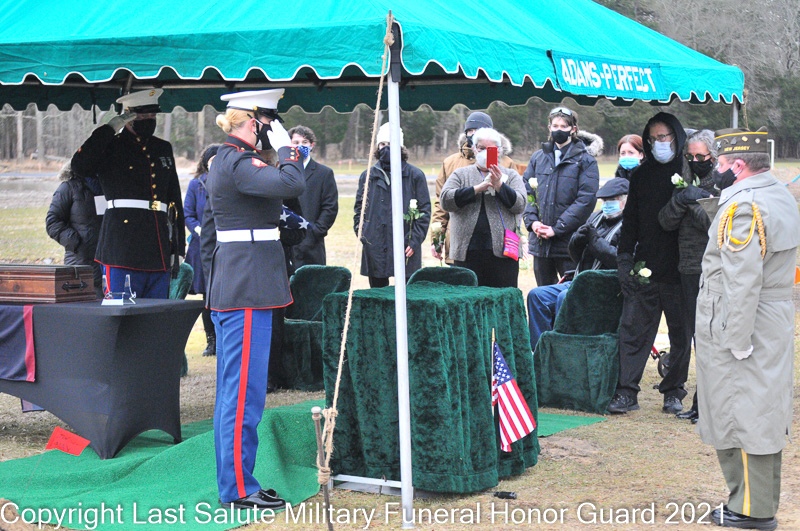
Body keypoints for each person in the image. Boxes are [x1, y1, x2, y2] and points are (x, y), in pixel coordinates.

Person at [204, 88, 305, 510]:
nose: (272, 129)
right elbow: (293, 182)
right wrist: (288, 150)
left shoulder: (234, 160)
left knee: (239, 393)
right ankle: (238, 488)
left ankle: (238, 481)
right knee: (242, 396)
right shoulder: (237, 162)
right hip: (246, 286)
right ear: (252, 122)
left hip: (246, 282)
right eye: (268, 122)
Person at [695, 128, 799, 530]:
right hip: (769, 316)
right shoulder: (778, 194)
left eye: (721, 163)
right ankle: (754, 502)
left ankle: (751, 509)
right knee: (760, 412)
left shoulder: (744, 205)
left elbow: (742, 278)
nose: (717, 169)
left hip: (743, 319)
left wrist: (736, 339)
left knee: (740, 414)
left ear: (738, 165)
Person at [607, 112, 692, 415]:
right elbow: (630, 222)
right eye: (653, 139)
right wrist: (624, 259)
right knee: (633, 332)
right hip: (646, 266)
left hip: (681, 269)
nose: (659, 143)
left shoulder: (688, 171)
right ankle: (626, 391)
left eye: (663, 137)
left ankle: (673, 391)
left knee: (680, 334)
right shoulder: (641, 175)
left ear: (676, 137)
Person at [71, 89, 185, 299]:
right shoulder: (111, 145)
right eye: (142, 115)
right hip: (122, 246)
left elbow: (174, 200)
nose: (149, 119)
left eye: (152, 115)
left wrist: (178, 248)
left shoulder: (162, 148)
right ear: (129, 116)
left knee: (156, 312)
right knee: (122, 309)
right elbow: (79, 166)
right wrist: (108, 129)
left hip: (157, 245)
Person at [657, 129, 717, 423]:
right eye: (690, 156)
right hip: (687, 269)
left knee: (707, 339)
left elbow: (712, 223)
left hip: (711, 268)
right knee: (692, 335)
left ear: (713, 156)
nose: (695, 161)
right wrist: (682, 199)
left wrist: (692, 201)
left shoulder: (720, 183)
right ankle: (698, 402)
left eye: (700, 156)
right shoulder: (684, 182)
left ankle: (706, 404)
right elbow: (666, 221)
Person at [526, 177, 628, 350]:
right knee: (537, 296)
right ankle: (541, 351)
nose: (606, 205)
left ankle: (563, 351)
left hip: (606, 287)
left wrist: (595, 242)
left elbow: (620, 261)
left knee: (565, 297)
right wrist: (576, 241)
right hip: (580, 280)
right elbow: (576, 257)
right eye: (604, 201)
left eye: (612, 200)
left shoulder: (630, 225)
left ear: (626, 201)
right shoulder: (596, 217)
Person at [522, 106, 600, 287]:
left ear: (573, 129)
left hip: (569, 245)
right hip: (540, 244)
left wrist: (557, 229)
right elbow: (527, 191)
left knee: (570, 295)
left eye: (564, 126)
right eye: (555, 126)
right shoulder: (538, 158)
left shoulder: (586, 161)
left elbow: (586, 199)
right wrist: (533, 222)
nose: (559, 130)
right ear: (549, 127)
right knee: (543, 294)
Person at [440, 127, 527, 288]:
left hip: (503, 253)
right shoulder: (461, 174)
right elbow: (445, 200)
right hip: (467, 252)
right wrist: (476, 189)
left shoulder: (511, 175)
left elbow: (520, 204)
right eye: (481, 148)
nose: (485, 153)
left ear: (499, 151)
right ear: (474, 149)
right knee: (468, 296)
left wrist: (500, 186)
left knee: (501, 296)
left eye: (491, 149)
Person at [431, 111, 517, 263]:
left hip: (496, 243)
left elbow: (516, 202)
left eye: (478, 130)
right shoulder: (450, 163)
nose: (474, 134)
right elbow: (441, 203)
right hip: (460, 241)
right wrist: (437, 238)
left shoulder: (506, 163)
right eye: (470, 131)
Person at [353, 122, 431, 288]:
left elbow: (424, 210)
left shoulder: (415, 175)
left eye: (390, 144)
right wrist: (363, 233)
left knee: (408, 290)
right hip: (375, 243)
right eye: (382, 144)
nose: (386, 148)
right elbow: (359, 208)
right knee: (378, 292)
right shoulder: (368, 175)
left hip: (405, 243)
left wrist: (414, 240)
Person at [45, 161, 104, 298]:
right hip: (80, 263)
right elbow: (52, 222)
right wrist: (78, 243)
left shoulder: (109, 188)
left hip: (107, 263)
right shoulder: (68, 188)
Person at [184, 144, 220, 357]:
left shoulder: (228, 182)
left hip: (223, 245)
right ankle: (211, 340)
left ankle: (223, 338)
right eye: (212, 160)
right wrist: (201, 230)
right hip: (201, 246)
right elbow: (188, 213)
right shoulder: (196, 184)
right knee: (207, 295)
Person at [287, 125, 338, 267]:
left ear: (312, 145)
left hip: (313, 245)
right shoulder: (282, 171)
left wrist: (316, 232)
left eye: (304, 142)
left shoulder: (324, 173)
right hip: (288, 243)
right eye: (296, 142)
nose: (300, 146)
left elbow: (330, 207)